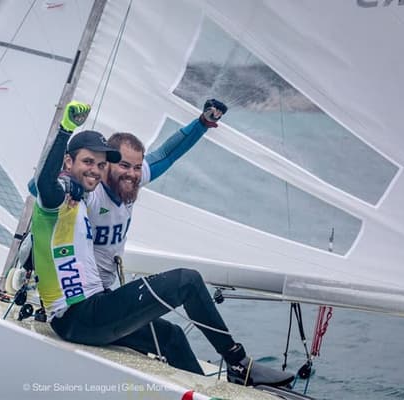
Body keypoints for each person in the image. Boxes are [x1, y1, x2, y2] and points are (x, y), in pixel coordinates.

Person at [31, 101, 294, 388]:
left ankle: (202, 393)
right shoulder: (72, 194)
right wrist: (66, 143)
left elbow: (167, 154)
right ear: (71, 164)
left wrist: (202, 123)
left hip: (98, 305)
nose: (129, 173)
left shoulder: (117, 183)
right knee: (187, 280)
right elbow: (40, 186)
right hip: (80, 314)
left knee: (171, 337)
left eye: (101, 163)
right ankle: (239, 364)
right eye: (91, 163)